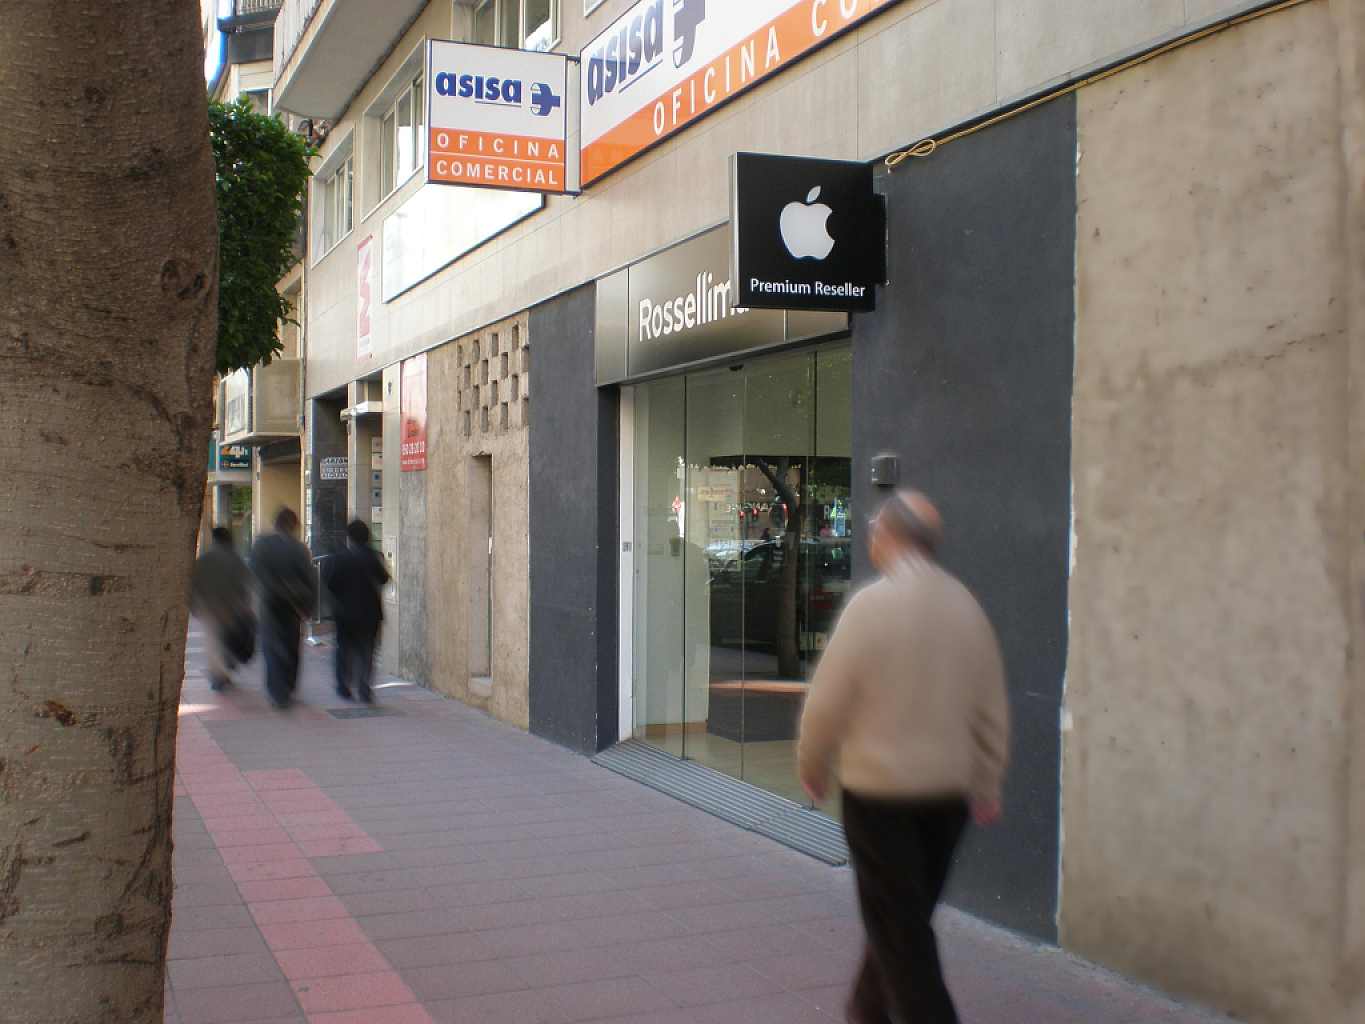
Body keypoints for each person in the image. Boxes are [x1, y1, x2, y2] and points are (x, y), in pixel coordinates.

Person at [797, 490, 1009, 1024]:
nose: (871, 537)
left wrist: (811, 763)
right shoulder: (966, 606)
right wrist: (986, 779)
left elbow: (826, 700)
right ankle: (866, 1009)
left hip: (880, 797)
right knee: (903, 917)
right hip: (948, 798)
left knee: (901, 924)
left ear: (889, 537)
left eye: (874, 529)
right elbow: (991, 706)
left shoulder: (872, 606)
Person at [250, 508, 316, 709]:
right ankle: (288, 685)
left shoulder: (261, 545)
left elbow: (255, 572)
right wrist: (309, 606)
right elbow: (310, 578)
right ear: (294, 525)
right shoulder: (300, 549)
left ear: (276, 523)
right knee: (291, 644)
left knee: (271, 645)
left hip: (270, 601)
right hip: (294, 604)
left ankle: (276, 689)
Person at [323, 519, 390, 703]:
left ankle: (344, 686)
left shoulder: (341, 557)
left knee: (344, 649)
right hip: (370, 613)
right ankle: (364, 687)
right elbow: (384, 579)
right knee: (367, 650)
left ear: (349, 537)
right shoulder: (374, 556)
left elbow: (331, 583)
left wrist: (341, 598)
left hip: (345, 613)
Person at [189, 527, 255, 691]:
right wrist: (245, 604)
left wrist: (193, 605)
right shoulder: (237, 559)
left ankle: (218, 675)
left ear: (214, 540)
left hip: (211, 606)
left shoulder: (204, 559)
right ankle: (227, 667)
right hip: (232, 606)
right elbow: (245, 582)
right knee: (229, 638)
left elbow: (194, 583)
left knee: (213, 640)